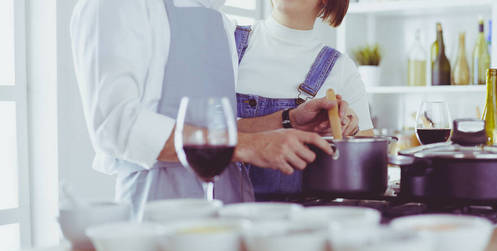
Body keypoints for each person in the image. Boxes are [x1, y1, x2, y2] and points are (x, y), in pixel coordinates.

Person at [70, 0, 346, 216]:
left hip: (228, 211)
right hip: (157, 213)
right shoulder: (118, 5)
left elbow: (214, 130)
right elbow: (116, 127)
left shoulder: (220, 22)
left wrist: (288, 120)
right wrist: (248, 146)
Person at [233, 0, 374, 199]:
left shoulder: (340, 69)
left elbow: (365, 164)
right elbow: (198, 132)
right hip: (224, 218)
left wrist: (347, 132)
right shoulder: (228, 40)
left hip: (303, 222)